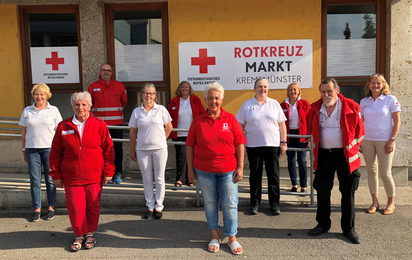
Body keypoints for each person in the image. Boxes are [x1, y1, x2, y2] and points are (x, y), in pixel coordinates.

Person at [49, 91, 115, 252]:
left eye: (84, 104)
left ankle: (90, 233)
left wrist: (108, 171)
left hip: (94, 175)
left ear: (90, 106)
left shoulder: (99, 124)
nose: (81, 107)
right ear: (72, 106)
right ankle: (79, 235)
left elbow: (109, 151)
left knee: (93, 206)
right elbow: (55, 153)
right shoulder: (63, 126)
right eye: (77, 104)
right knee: (75, 207)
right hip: (71, 176)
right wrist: (55, 175)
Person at [187, 82, 246, 255]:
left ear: (222, 99)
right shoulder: (198, 121)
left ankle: (232, 238)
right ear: (205, 100)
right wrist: (190, 171)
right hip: (204, 171)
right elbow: (189, 146)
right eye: (211, 98)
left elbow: (240, 144)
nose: (214, 101)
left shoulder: (231, 119)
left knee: (230, 204)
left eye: (217, 98)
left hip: (228, 171)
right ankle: (215, 236)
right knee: (211, 204)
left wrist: (241, 167)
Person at [307, 78, 365, 244]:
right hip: (324, 155)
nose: (326, 95)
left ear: (337, 91)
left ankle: (348, 228)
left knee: (348, 193)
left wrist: (352, 148)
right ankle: (323, 224)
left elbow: (360, 132)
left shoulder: (352, 107)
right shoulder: (315, 108)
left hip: (345, 156)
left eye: (329, 91)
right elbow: (312, 129)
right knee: (323, 191)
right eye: (323, 92)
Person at [236, 78, 287, 216]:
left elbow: (282, 125)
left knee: (274, 175)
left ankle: (274, 204)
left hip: (272, 145)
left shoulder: (274, 104)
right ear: (254, 88)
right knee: (255, 175)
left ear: (268, 89)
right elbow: (239, 126)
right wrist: (242, 146)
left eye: (265, 87)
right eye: (260, 86)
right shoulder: (247, 105)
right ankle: (255, 203)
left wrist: (283, 142)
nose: (262, 89)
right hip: (253, 146)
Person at [19, 83, 63, 222]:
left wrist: (60, 150)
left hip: (49, 149)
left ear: (47, 95)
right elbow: (24, 131)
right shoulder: (27, 110)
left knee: (50, 180)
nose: (39, 97)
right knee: (34, 180)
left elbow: (59, 131)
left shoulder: (54, 110)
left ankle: (51, 207)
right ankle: (37, 208)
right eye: (36, 94)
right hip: (32, 148)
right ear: (33, 95)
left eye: (42, 94)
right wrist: (24, 149)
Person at [129, 83, 173, 220]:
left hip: (160, 149)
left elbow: (169, 127)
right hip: (142, 149)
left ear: (155, 95)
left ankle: (159, 207)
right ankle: (150, 206)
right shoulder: (136, 111)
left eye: (152, 93)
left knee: (159, 178)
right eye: (146, 93)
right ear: (142, 95)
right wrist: (132, 150)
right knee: (147, 178)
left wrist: (161, 139)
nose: (149, 95)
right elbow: (133, 132)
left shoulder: (161, 109)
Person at [360, 74, 401, 215]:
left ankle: (391, 203)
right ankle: (375, 202)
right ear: (369, 85)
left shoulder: (390, 99)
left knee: (385, 173)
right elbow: (361, 122)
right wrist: (359, 140)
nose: (375, 85)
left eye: (378, 83)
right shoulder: (364, 101)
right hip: (367, 140)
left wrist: (392, 140)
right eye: (373, 83)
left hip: (385, 141)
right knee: (371, 172)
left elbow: (397, 122)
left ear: (383, 85)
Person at [88, 63, 127, 184]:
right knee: (100, 149)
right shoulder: (92, 87)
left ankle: (117, 173)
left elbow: (124, 102)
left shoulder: (119, 86)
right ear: (99, 72)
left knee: (117, 148)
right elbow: (90, 104)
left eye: (108, 71)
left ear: (111, 72)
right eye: (104, 70)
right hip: (99, 124)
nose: (106, 72)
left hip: (116, 124)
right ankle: (103, 173)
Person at [167, 81, 205, 188]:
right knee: (181, 156)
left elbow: (202, 113)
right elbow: (168, 117)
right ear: (179, 88)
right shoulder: (174, 101)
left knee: (191, 157)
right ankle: (179, 179)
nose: (185, 89)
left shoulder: (195, 99)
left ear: (190, 89)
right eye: (183, 87)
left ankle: (190, 179)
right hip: (178, 134)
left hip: (192, 134)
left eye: (187, 87)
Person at [280, 83, 310, 192]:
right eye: (290, 90)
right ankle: (294, 184)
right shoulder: (283, 105)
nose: (293, 92)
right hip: (288, 136)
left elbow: (309, 121)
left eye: (295, 90)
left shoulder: (305, 104)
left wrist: (309, 137)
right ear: (288, 92)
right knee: (290, 160)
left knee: (302, 161)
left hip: (301, 136)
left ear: (298, 91)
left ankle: (303, 186)